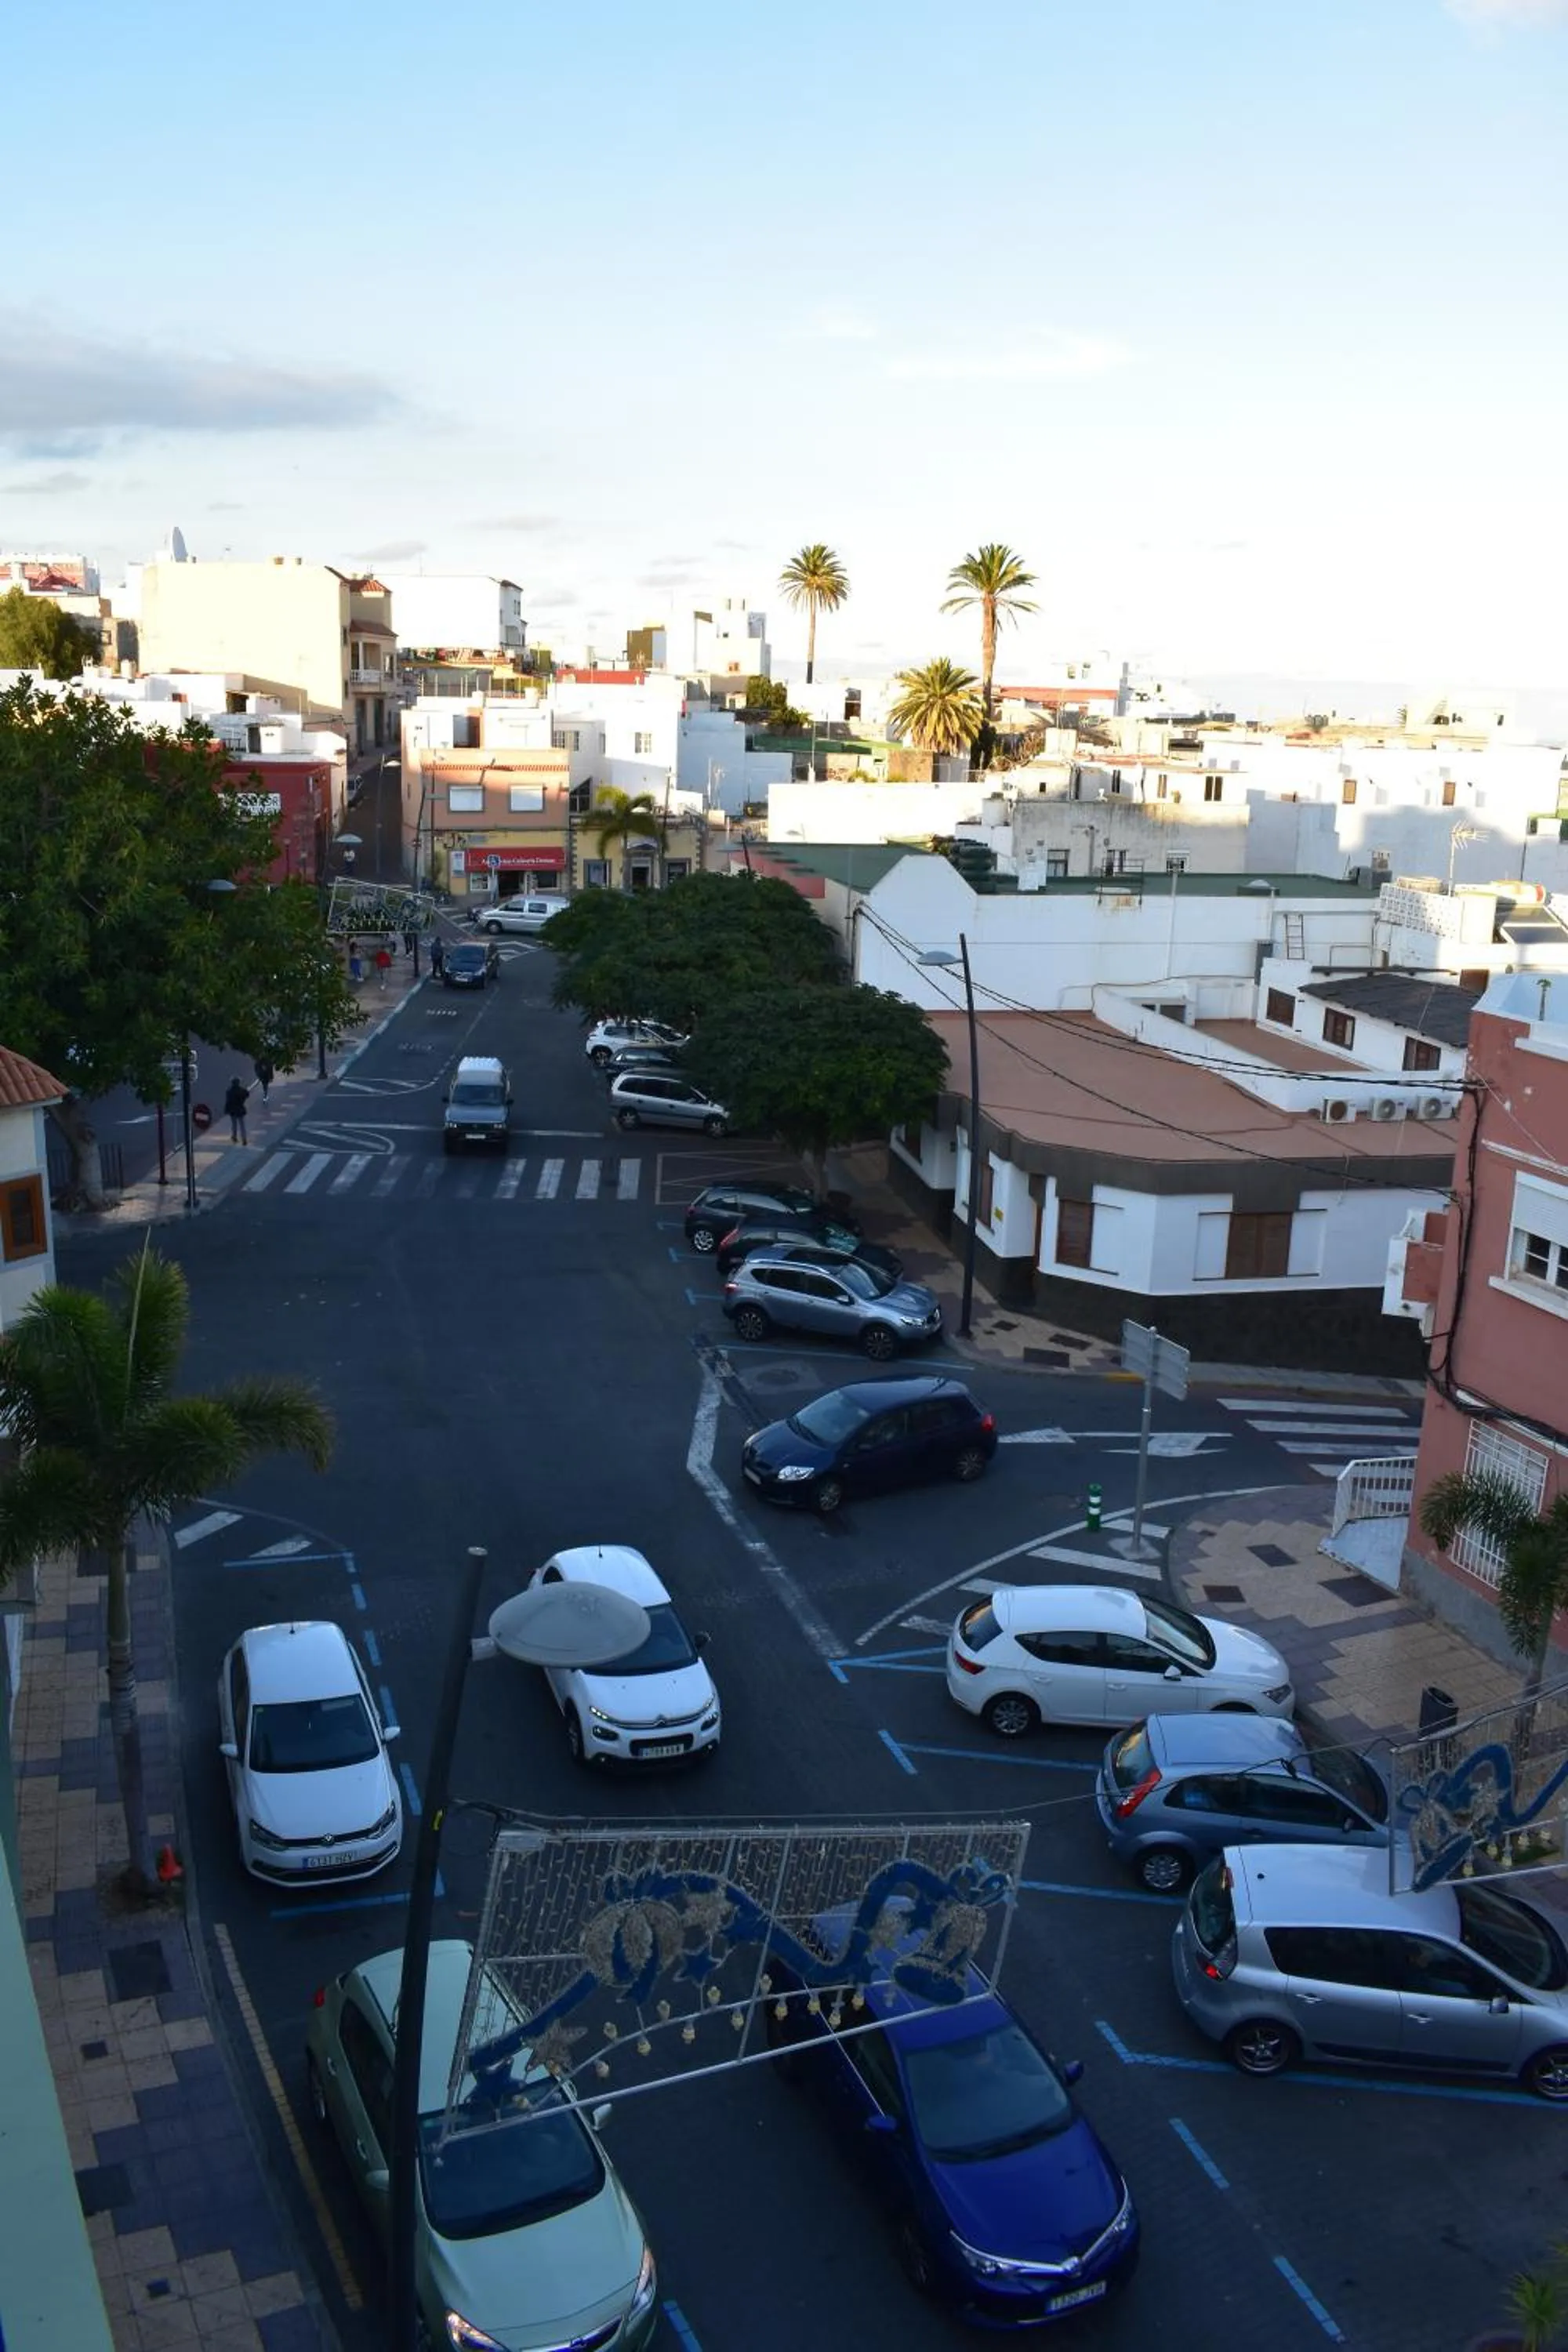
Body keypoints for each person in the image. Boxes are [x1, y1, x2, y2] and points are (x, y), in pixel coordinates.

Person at [223, 1076, 250, 1145]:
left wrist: (226, 1110)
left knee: (234, 1124)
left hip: (232, 1110)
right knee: (242, 1125)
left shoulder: (229, 1091)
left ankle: (234, 1137)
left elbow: (228, 1102)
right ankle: (244, 1139)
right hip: (240, 1109)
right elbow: (247, 1094)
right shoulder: (242, 1090)